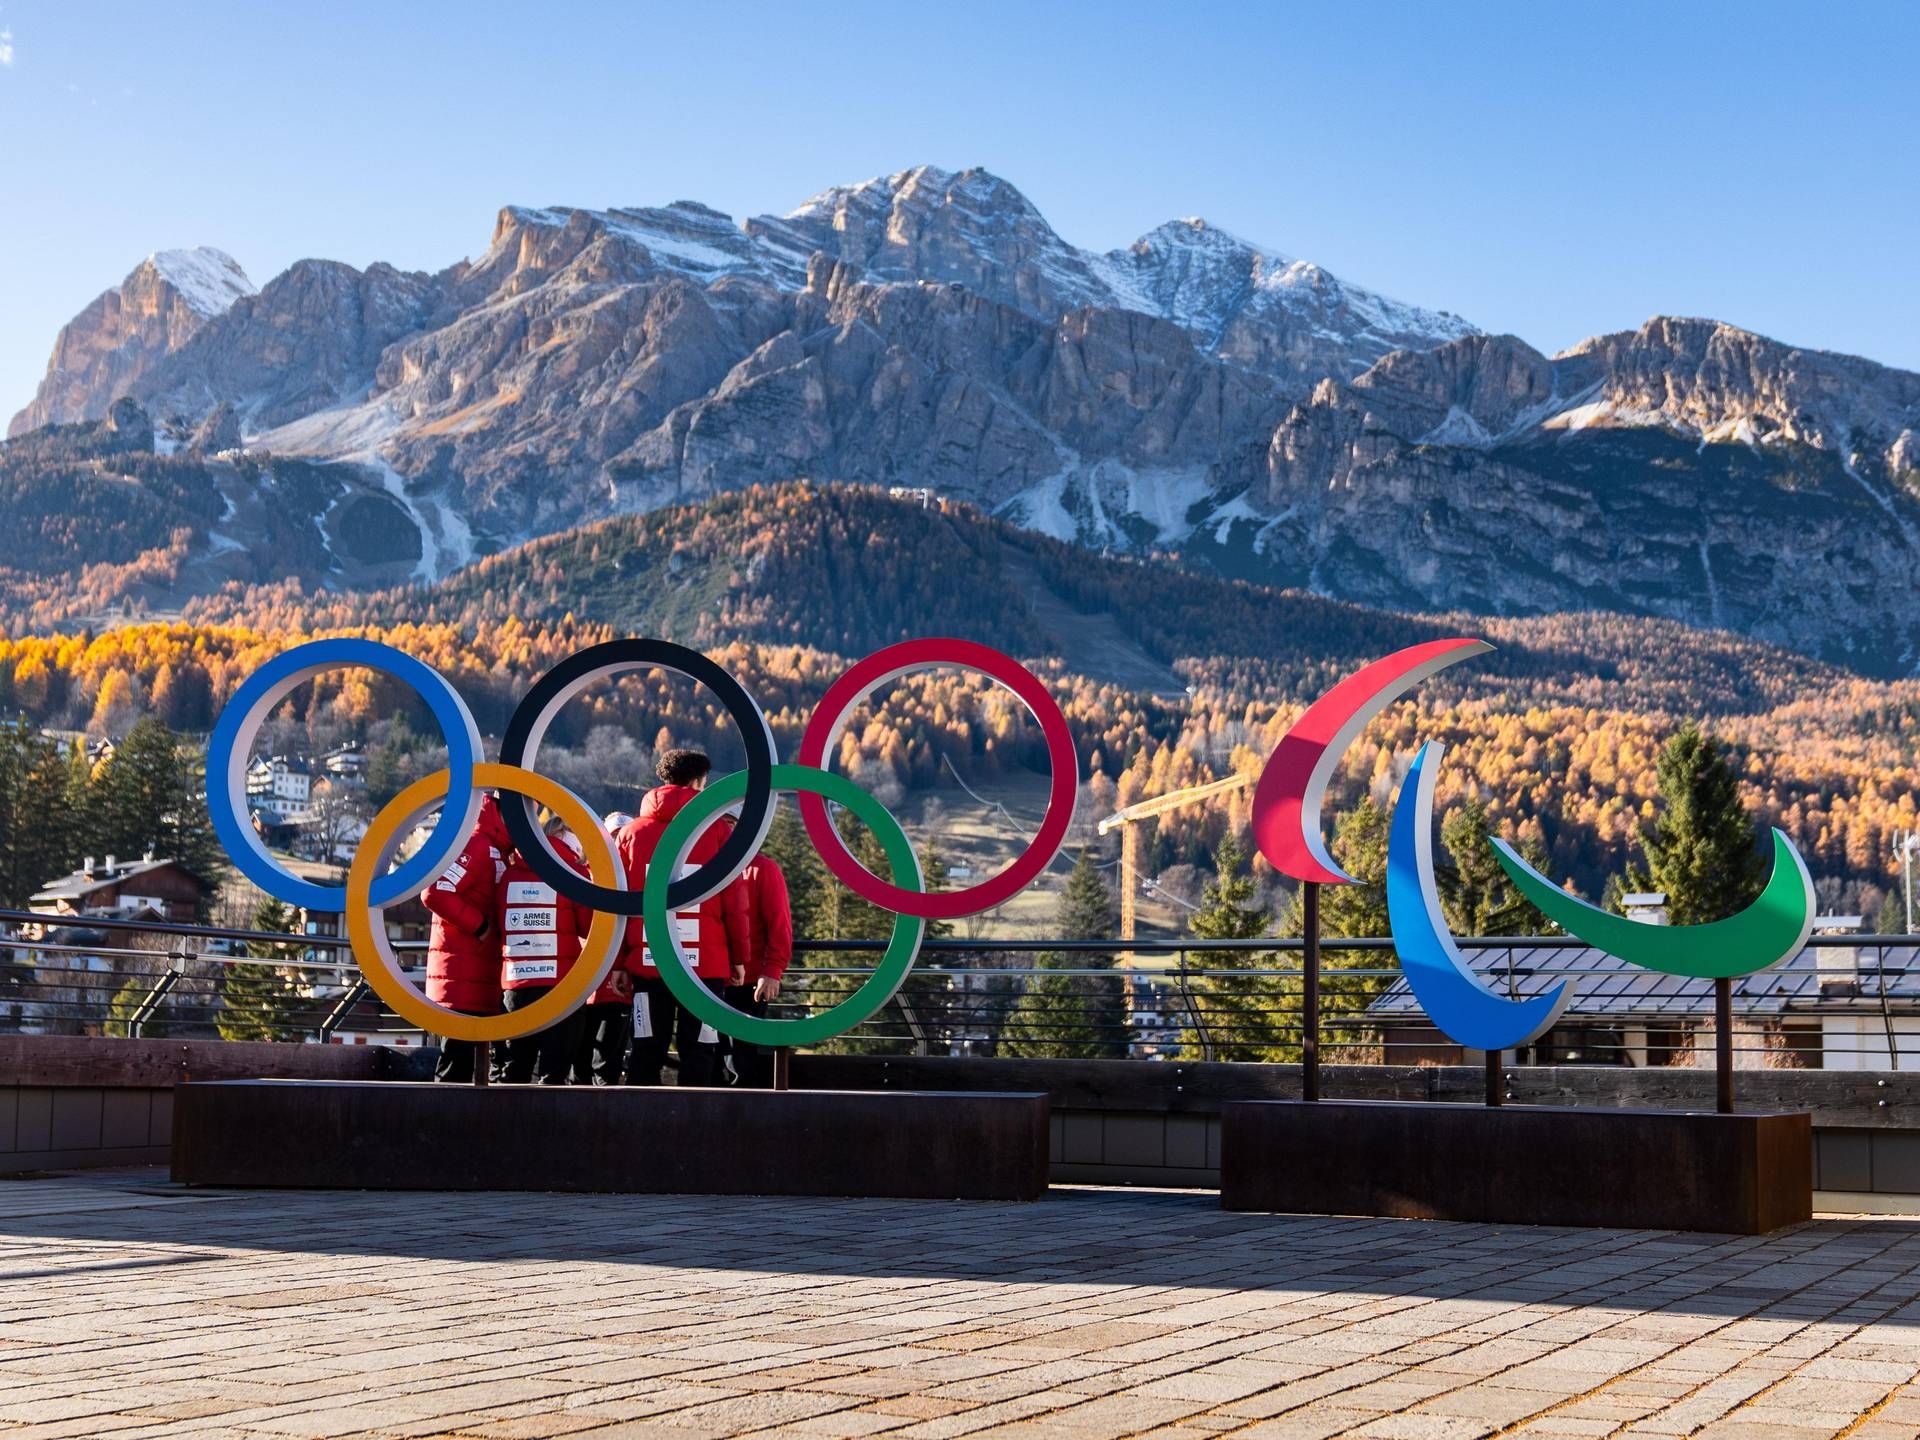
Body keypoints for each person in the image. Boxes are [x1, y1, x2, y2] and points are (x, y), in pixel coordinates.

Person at [616, 750, 749, 1086]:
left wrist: (617, 961)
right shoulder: (717, 830)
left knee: (646, 1048)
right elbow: (733, 900)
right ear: (698, 782)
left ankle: (639, 1125)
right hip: (706, 966)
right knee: (701, 1049)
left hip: (648, 960)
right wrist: (738, 958)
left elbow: (617, 903)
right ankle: (697, 1128)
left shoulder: (630, 834)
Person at [496, 815, 596, 1085]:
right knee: (554, 1074)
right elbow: (589, 928)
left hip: (516, 983)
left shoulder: (510, 873)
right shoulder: (575, 873)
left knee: (514, 1070)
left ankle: (505, 1125)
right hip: (562, 986)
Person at [420, 794, 510, 1083]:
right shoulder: (477, 844)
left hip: (480, 980)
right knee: (454, 1069)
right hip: (461, 983)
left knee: (475, 1071)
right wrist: (480, 926)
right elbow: (435, 892)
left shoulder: (498, 849)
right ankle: (437, 1127)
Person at [723, 817, 793, 1087]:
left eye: (732, 825)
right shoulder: (704, 869)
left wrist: (772, 970)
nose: (726, 832)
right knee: (714, 1053)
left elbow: (780, 925)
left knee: (742, 1056)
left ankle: (742, 1114)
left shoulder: (763, 869)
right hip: (709, 978)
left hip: (750, 982)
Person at [570, 812, 638, 1085]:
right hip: (582, 984)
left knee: (608, 1064)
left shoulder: (634, 882)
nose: (616, 843)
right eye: (612, 837)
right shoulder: (580, 876)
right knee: (579, 1061)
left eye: (621, 837)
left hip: (617, 986)